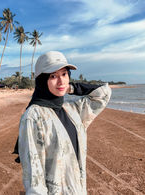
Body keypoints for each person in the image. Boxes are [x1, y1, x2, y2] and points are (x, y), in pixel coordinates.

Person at [17, 51, 111, 195]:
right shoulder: (34, 116)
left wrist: (70, 87)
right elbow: (34, 178)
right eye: (53, 76)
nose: (61, 81)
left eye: (64, 74)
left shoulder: (72, 110)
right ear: (42, 81)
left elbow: (103, 94)